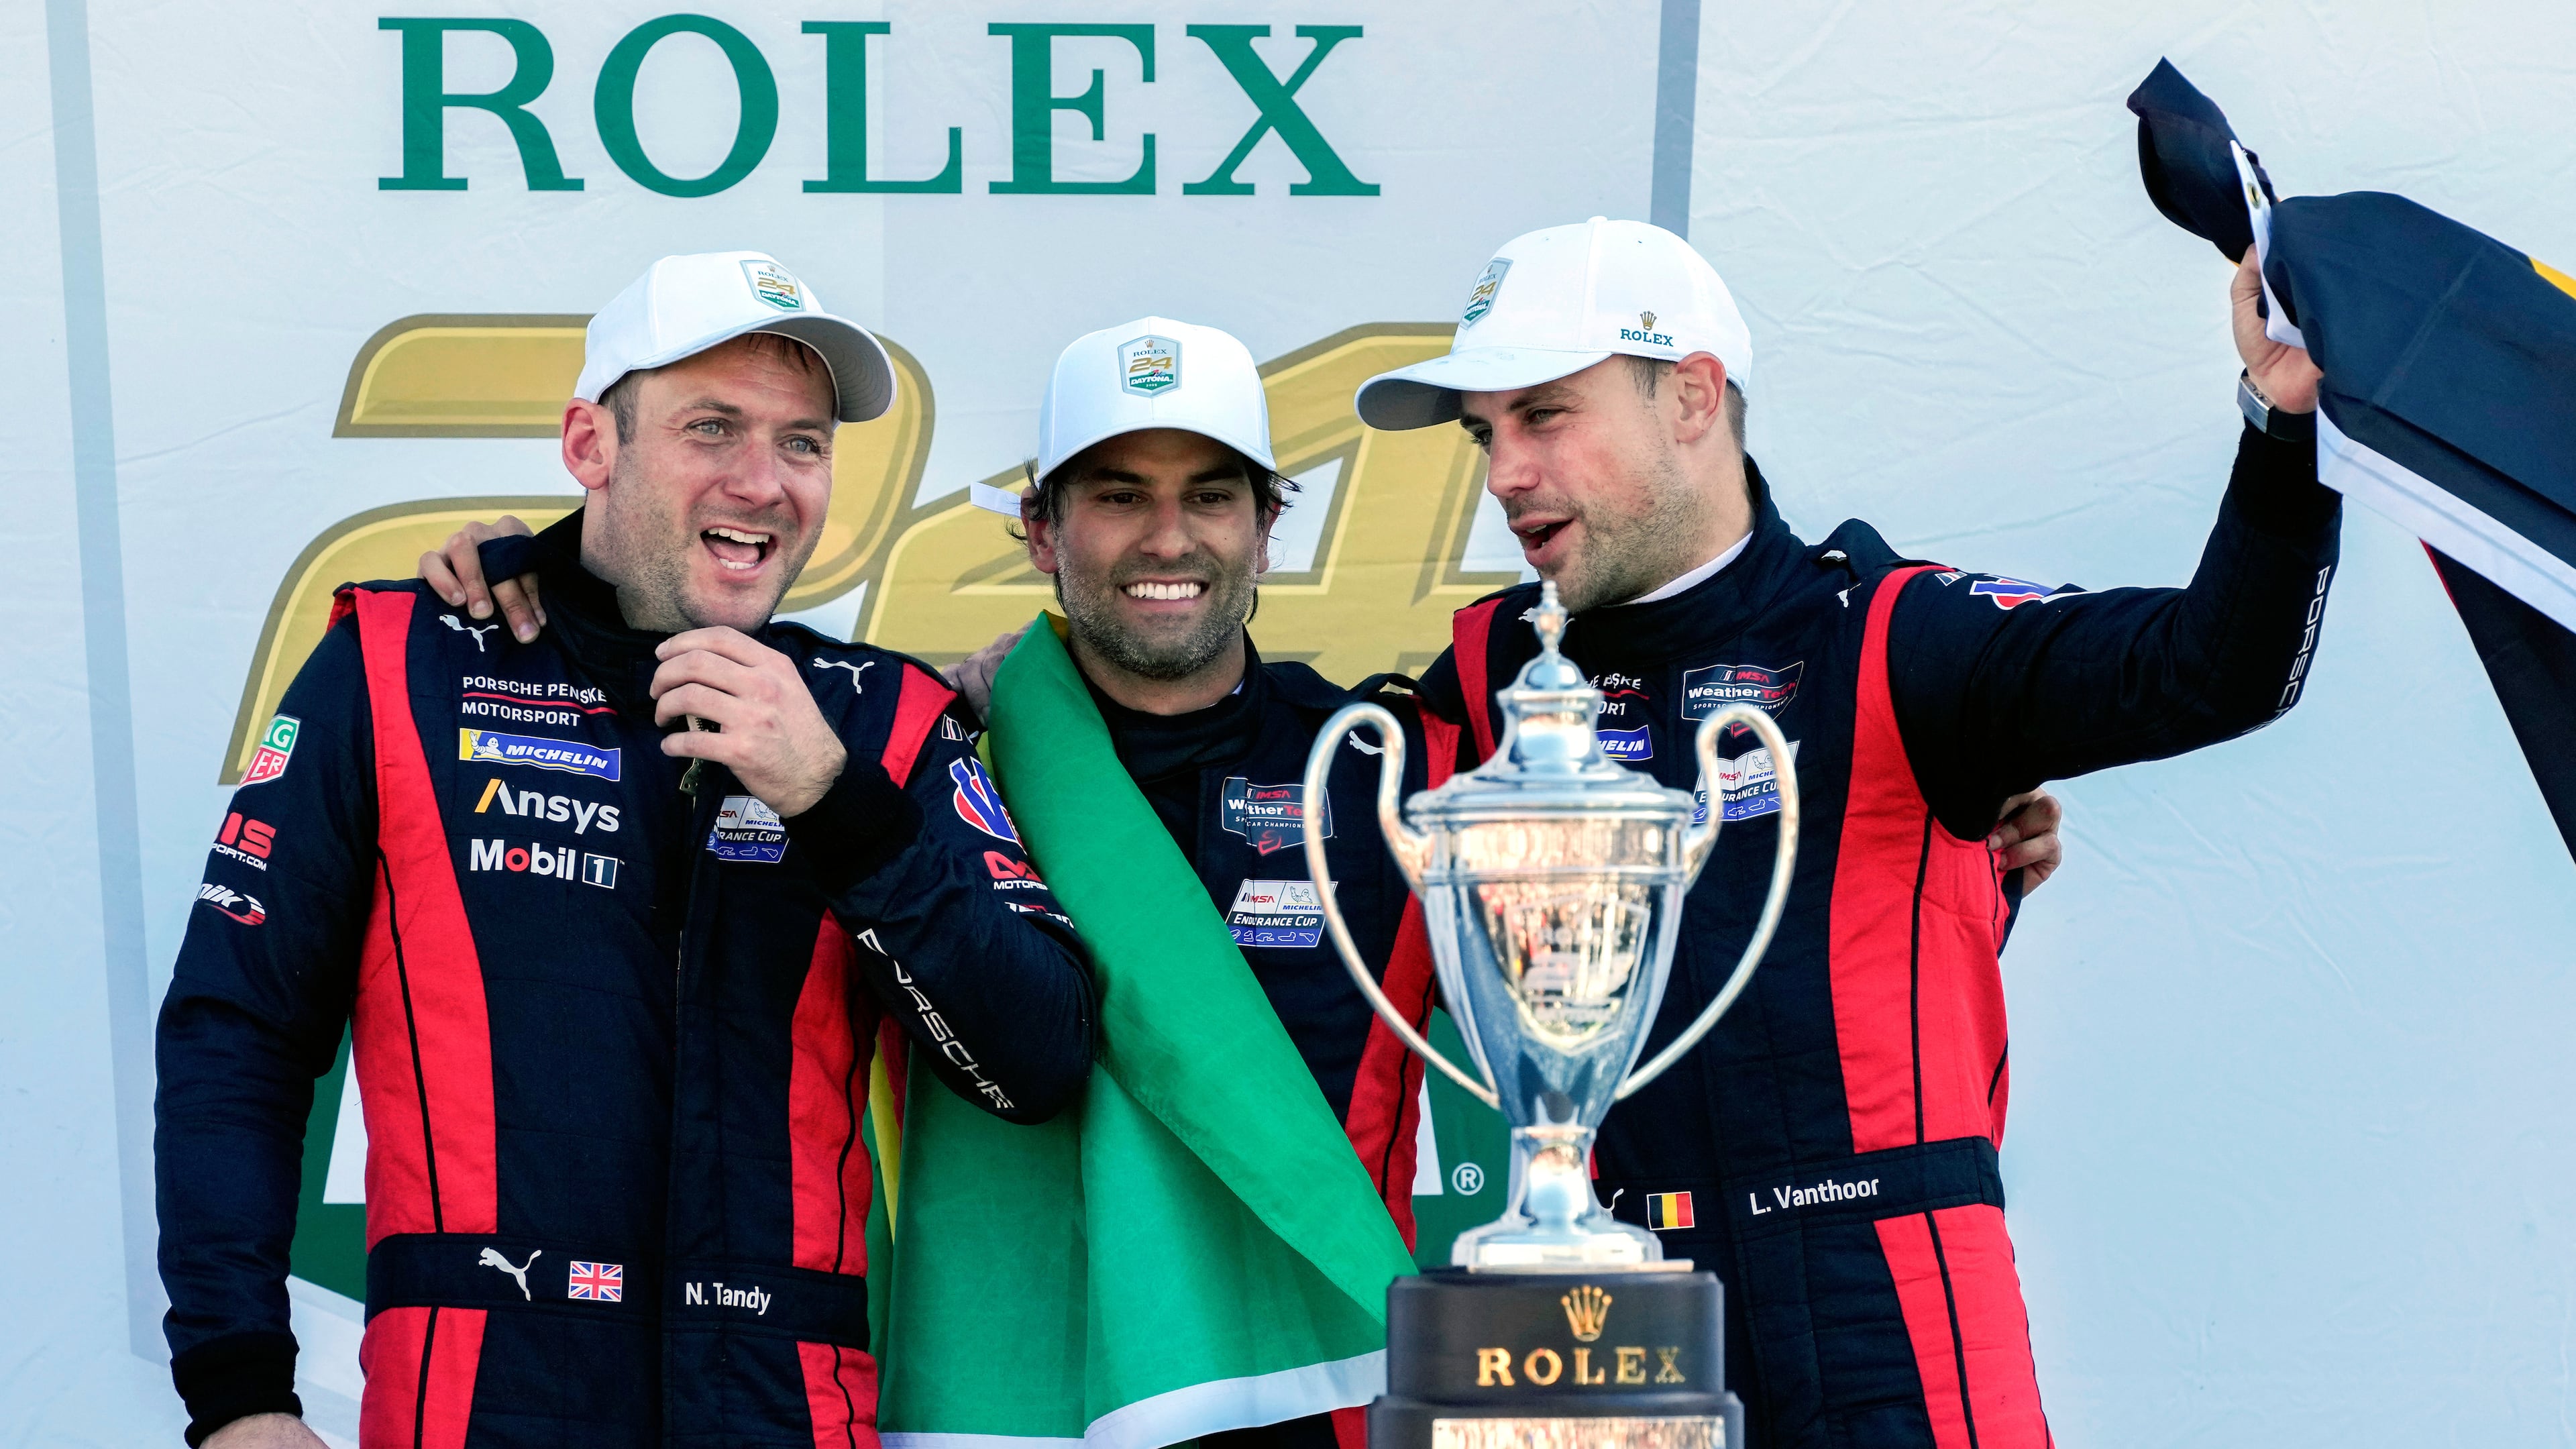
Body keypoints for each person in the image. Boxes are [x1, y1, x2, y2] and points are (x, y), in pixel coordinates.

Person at [423, 311, 2065, 1446]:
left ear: (1269, 526)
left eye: (1210, 495)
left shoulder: (1398, 762)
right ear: (1039, 531)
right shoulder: (933, 739)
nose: (1169, 537)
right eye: (1117, 496)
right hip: (1005, 1394)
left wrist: (1946, 844)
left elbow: (1650, 905)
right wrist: (543, 571)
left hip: (1325, 1398)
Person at [1353, 217, 2336, 1449]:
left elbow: (2217, 667)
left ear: (1693, 397)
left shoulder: (1892, 635)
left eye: (1544, 416)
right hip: (1610, 1320)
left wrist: (2282, 424)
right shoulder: (1494, 674)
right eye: (1485, 433)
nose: (1504, 474)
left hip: (1893, 1311)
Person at [156, 251, 1095, 1449]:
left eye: (803, 443)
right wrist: (238, 1394)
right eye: (714, 428)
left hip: (786, 1410)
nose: (764, 482)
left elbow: (1036, 1063)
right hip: (478, 1404)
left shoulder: (881, 720)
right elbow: (238, 1032)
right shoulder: (399, 664)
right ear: (590, 445)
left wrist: (832, 802)